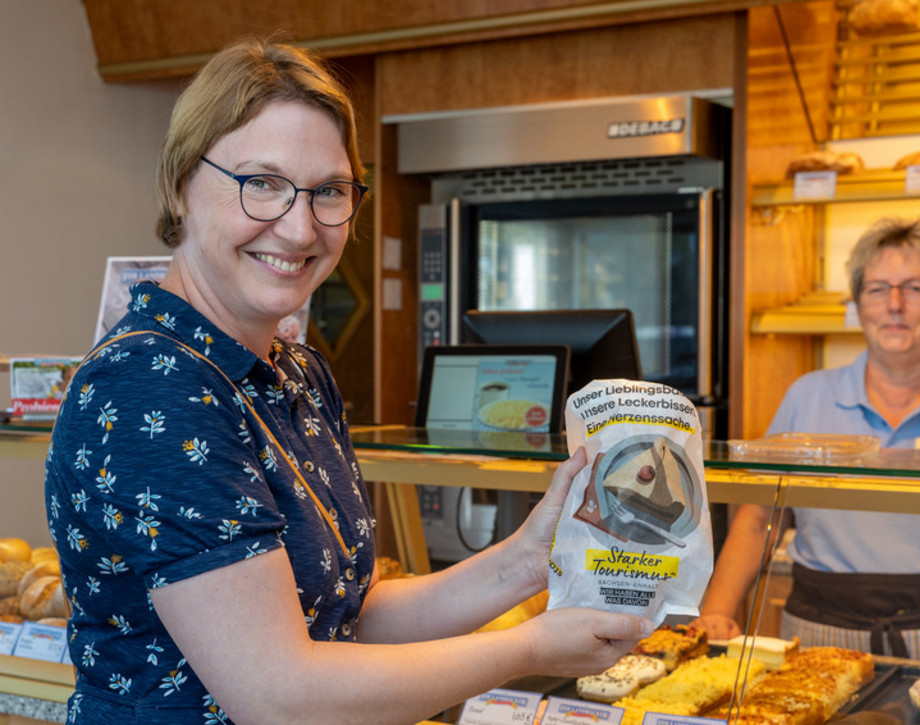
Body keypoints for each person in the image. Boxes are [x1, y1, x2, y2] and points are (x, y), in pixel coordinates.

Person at [44, 39, 653, 725]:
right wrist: (531, 645)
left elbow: (345, 616)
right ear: (180, 182)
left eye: (328, 191)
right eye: (261, 183)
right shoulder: (149, 387)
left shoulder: (296, 373)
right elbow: (279, 693)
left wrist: (525, 561)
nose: (300, 226)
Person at [695, 217, 920, 667]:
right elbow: (757, 524)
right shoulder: (807, 395)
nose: (893, 304)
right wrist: (716, 611)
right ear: (857, 306)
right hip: (817, 632)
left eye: (914, 287)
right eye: (876, 289)